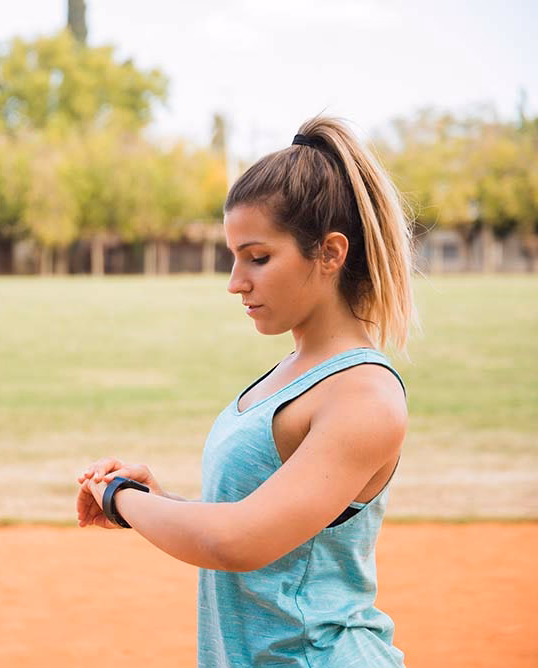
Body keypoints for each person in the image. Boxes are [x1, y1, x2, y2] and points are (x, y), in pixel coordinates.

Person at [76, 116, 417, 667]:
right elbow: (258, 522)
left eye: (258, 258)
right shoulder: (294, 371)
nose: (236, 282)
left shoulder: (363, 394)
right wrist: (158, 501)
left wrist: (121, 498)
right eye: (233, 257)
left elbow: (238, 541)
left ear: (330, 253)